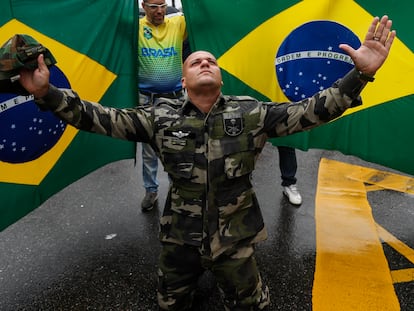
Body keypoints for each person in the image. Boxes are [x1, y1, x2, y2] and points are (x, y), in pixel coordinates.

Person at [18, 15, 395, 310]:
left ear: (219, 78)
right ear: (183, 81)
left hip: (236, 236)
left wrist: (361, 74)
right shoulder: (159, 116)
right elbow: (96, 116)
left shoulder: (251, 111)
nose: (205, 62)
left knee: (252, 305)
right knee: (169, 303)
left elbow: (313, 110)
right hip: (180, 236)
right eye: (196, 61)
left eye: (211, 61)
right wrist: (47, 93)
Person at [138, 0, 187, 211]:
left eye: (162, 5)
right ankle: (151, 190)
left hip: (175, 97)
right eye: (153, 6)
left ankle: (181, 189)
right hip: (146, 99)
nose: (159, 11)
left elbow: (203, 11)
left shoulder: (177, 23)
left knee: (178, 144)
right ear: (143, 5)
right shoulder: (136, 27)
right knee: (149, 149)